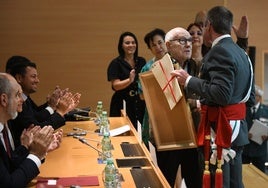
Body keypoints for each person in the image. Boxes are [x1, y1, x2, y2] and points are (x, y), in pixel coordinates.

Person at [172, 6, 255, 188]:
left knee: (219, 184)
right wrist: (242, 40)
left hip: (222, 130)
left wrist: (189, 80)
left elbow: (222, 94)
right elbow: (247, 97)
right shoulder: (241, 52)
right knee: (234, 183)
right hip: (237, 128)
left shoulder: (219, 51)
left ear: (209, 25)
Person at [157, 27, 202, 188]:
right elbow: (171, 101)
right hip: (170, 136)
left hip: (192, 134)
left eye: (189, 40)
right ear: (168, 45)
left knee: (194, 181)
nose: (188, 44)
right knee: (166, 181)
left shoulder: (194, 65)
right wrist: (196, 103)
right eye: (182, 41)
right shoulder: (161, 67)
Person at [0, 72, 61, 187]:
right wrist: (36, 154)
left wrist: (41, 149)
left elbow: (10, 166)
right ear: (4, 100)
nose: (22, 100)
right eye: (17, 95)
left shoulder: (4, 126)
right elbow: (8, 184)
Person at [6, 57, 80, 147]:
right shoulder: (16, 105)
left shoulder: (24, 99)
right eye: (33, 77)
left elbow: (36, 114)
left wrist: (56, 106)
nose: (37, 80)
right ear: (19, 78)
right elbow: (38, 129)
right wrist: (59, 111)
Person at [107, 31, 146, 129]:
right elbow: (115, 85)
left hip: (139, 103)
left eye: (133, 42)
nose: (131, 45)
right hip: (121, 103)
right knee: (121, 132)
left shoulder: (141, 61)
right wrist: (129, 80)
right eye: (127, 43)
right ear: (121, 46)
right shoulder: (115, 63)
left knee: (139, 130)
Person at [137, 28, 167, 147]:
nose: (158, 47)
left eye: (160, 43)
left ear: (166, 43)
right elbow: (142, 95)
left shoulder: (175, 62)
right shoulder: (146, 68)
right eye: (153, 45)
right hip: (153, 113)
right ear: (150, 49)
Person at [242, 85, 268, 172]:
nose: (252, 97)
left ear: (260, 97)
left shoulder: (266, 110)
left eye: (255, 95)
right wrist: (245, 134)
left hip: (260, 150)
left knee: (260, 176)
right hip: (245, 150)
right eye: (251, 95)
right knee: (244, 174)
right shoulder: (244, 110)